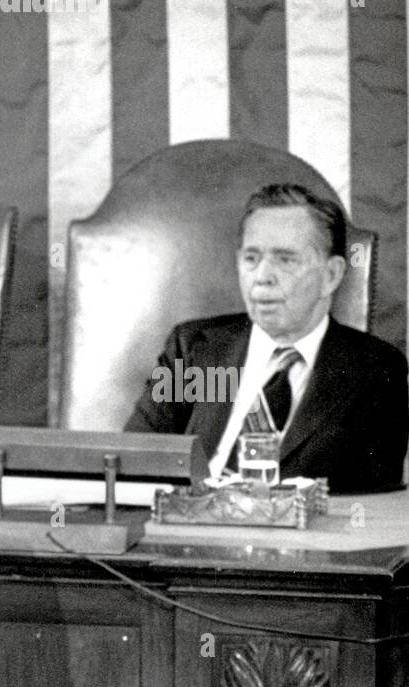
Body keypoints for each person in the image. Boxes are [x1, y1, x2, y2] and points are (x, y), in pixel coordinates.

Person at [125, 182, 408, 494]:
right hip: (190, 530)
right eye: (251, 258)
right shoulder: (193, 350)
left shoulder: (375, 370)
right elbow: (134, 467)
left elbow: (371, 502)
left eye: (285, 259)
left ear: (332, 275)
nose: (262, 276)